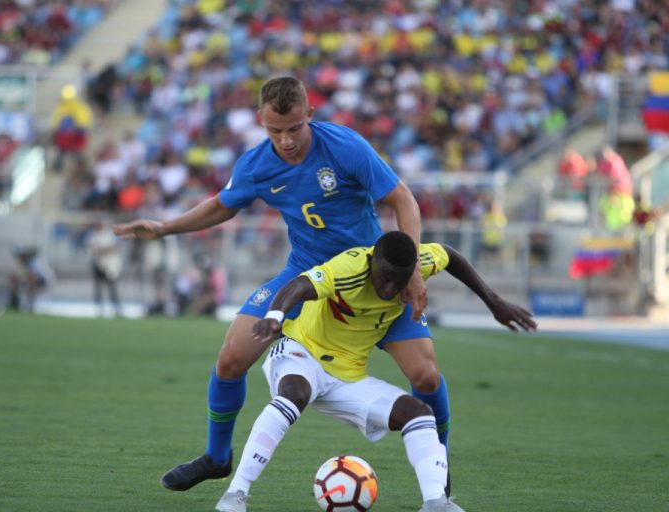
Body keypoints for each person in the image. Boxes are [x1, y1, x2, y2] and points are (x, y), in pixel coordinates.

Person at [115, 76, 440, 493]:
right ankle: (217, 458)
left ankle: (439, 475)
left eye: (293, 129)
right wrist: (164, 228)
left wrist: (410, 268)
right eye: (274, 131)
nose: (285, 141)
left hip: (368, 280)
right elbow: (221, 206)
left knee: (425, 375)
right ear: (261, 122)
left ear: (310, 115)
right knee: (231, 359)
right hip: (303, 275)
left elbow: (403, 199)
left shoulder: (345, 147)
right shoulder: (255, 165)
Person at [215, 232, 535, 512]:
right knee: (294, 394)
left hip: (348, 377)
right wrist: (274, 316)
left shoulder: (416, 265)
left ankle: (436, 501)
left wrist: (494, 302)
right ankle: (235, 494)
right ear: (371, 264)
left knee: (419, 413)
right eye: (385, 278)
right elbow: (299, 285)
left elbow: (450, 255)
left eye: (400, 280)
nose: (391, 288)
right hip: (301, 355)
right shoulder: (347, 268)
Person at [87, 221, 122, 317]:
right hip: (98, 264)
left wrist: (102, 249)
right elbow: (92, 249)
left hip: (110, 265)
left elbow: (114, 246)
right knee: (98, 287)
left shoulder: (108, 235)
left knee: (112, 287)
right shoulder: (93, 235)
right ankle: (99, 309)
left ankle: (116, 308)